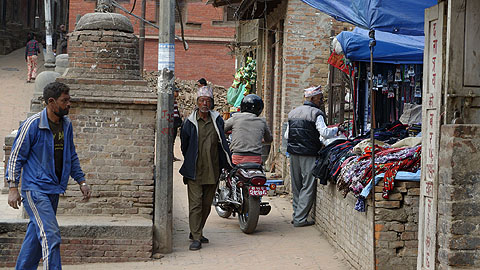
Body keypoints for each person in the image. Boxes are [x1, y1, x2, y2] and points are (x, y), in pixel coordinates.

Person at [6, 81, 91, 269]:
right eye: (65, 100)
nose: (69, 104)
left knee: (36, 237)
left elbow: (71, 155)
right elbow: (15, 156)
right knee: (51, 235)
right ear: (51, 102)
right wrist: (13, 187)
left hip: (53, 189)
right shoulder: (32, 125)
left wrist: (81, 181)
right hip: (35, 190)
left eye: (69, 100)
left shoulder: (66, 125)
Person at [179, 86, 232, 251]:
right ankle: (196, 237)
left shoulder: (217, 121)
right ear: (196, 103)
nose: (205, 103)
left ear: (212, 104)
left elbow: (222, 143)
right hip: (195, 170)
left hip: (213, 170)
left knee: (206, 204)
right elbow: (184, 145)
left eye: (208, 101)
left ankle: (197, 230)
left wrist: (226, 164)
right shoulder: (189, 122)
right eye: (202, 100)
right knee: (195, 205)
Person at [284, 85, 344, 227]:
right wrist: (337, 129)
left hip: (293, 153)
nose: (321, 101)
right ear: (312, 98)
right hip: (309, 153)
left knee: (297, 185)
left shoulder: (293, 113)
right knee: (308, 185)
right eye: (319, 98)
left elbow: (287, 135)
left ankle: (296, 215)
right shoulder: (316, 114)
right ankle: (300, 219)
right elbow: (324, 133)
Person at [224, 94, 273, 165]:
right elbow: (269, 139)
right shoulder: (262, 122)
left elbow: (221, 130)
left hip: (238, 158)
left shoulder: (235, 118)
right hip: (255, 158)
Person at [172, 86, 182, 161]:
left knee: (173, 140)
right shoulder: (170, 101)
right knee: (171, 140)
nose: (177, 93)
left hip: (175, 121)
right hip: (172, 122)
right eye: (176, 91)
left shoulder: (174, 101)